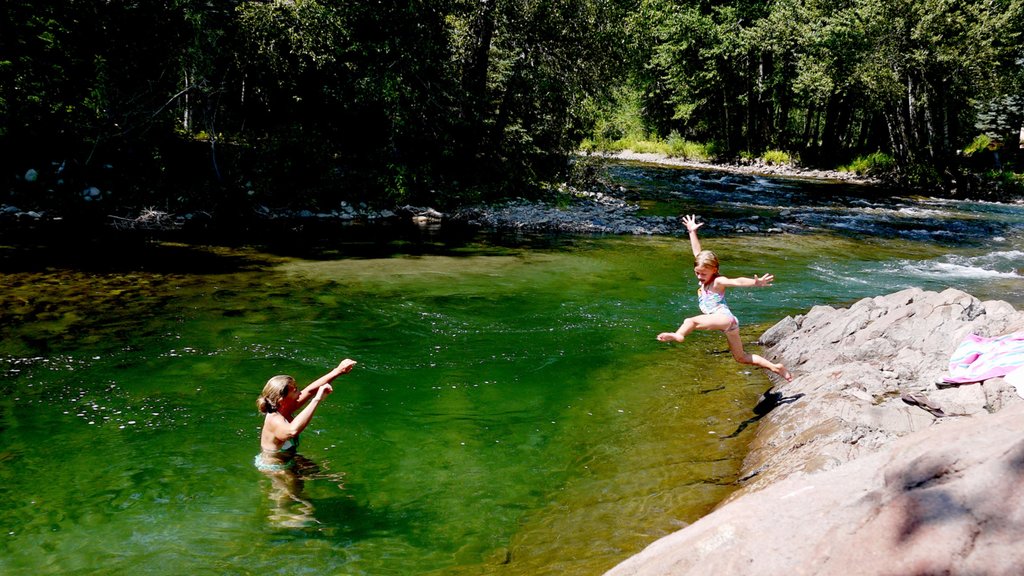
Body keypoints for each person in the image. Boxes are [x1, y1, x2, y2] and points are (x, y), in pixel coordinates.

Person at [657, 215, 792, 382]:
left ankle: (678, 336)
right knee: (741, 357)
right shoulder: (704, 271)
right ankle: (776, 368)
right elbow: (697, 252)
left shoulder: (718, 281)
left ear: (714, 270)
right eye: (697, 273)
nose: (699, 276)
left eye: (703, 274)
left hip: (724, 319)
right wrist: (692, 232)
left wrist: (755, 283)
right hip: (729, 325)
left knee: (690, 321)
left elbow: (736, 281)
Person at [255, 358, 358, 472]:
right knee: (295, 489)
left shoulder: (284, 408)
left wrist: (338, 371)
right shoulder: (274, 420)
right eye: (295, 391)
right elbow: (292, 430)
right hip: (276, 466)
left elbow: (310, 390)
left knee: (315, 470)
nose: (300, 392)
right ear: (281, 400)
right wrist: (317, 399)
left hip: (288, 457)